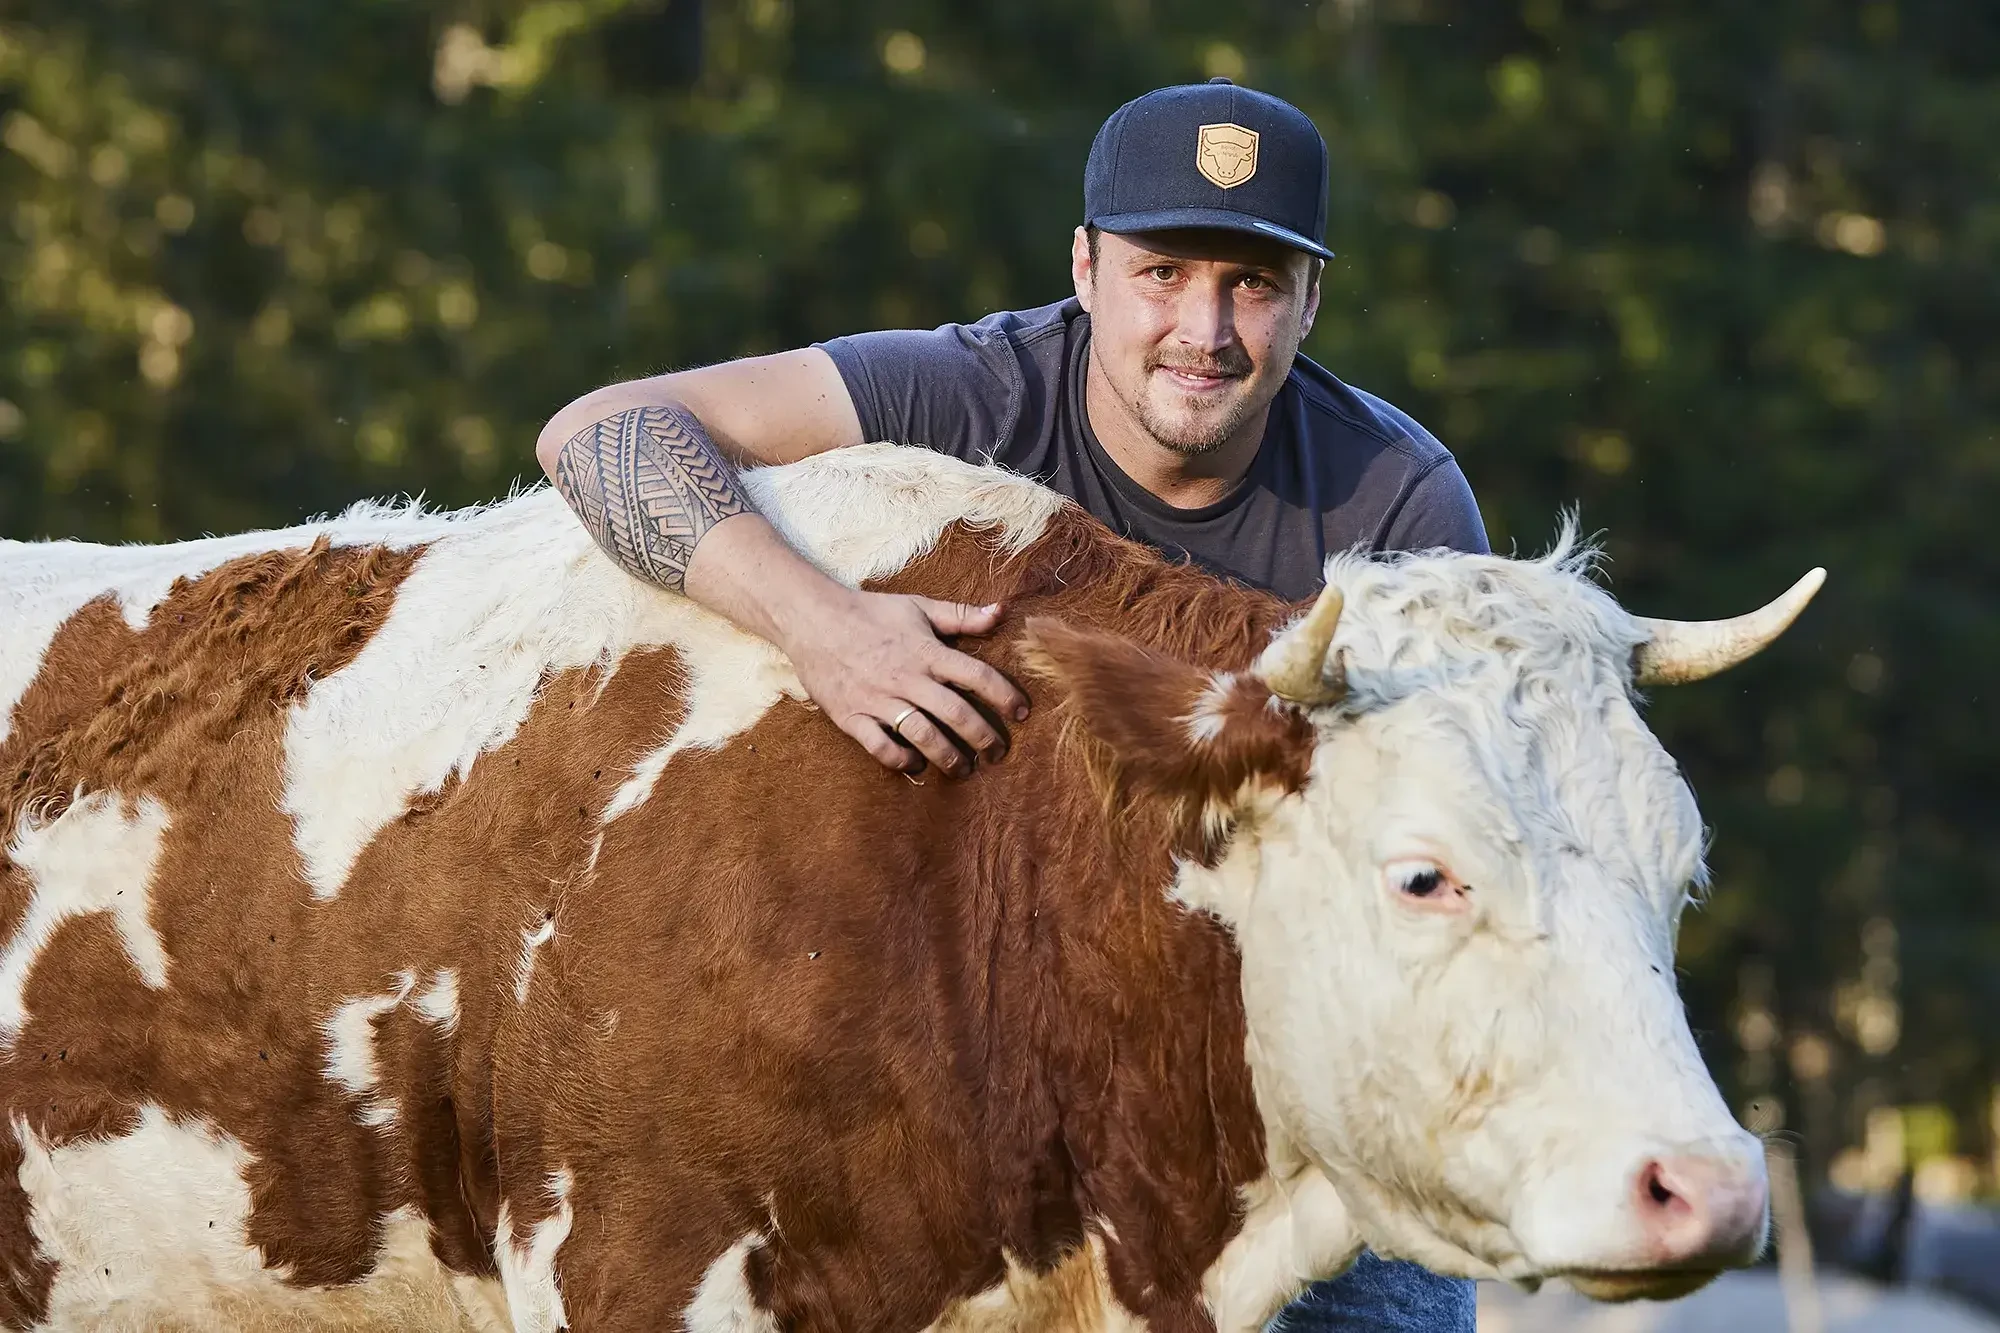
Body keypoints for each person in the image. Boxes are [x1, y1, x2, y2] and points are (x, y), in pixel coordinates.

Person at [536, 78, 1483, 1332]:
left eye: (1252, 284)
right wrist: (820, 626)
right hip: (954, 1065)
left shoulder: (1399, 507)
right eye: (1162, 273)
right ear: (1084, 269)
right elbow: (598, 433)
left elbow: (1445, 861)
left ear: (1312, 299)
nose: (1203, 329)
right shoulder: (970, 395)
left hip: (1272, 1089)